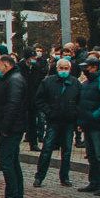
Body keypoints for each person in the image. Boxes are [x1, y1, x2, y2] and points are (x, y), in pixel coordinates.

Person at [32, 58, 81, 189]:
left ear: (70, 69)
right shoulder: (48, 81)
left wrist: (75, 114)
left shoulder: (75, 83)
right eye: (61, 68)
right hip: (53, 121)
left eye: (66, 68)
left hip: (69, 122)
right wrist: (49, 112)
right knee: (47, 149)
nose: (64, 71)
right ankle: (39, 176)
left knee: (67, 151)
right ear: (57, 68)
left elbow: (79, 102)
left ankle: (64, 177)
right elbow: (39, 99)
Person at [0, 55, 27, 198]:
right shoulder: (13, 78)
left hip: (11, 128)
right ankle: (17, 197)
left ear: (6, 65)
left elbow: (13, 105)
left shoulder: (14, 80)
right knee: (12, 162)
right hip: (13, 126)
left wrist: (5, 127)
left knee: (7, 163)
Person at [78, 57, 100, 196]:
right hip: (88, 123)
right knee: (92, 155)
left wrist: (96, 115)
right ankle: (94, 182)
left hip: (99, 124)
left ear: (93, 67)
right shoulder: (88, 82)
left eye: (87, 67)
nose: (84, 70)